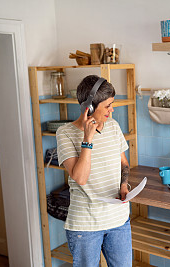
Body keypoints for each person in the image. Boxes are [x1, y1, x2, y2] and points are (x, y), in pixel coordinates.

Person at [56, 75, 132, 267]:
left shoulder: (113, 127)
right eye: (107, 106)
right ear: (89, 107)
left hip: (119, 220)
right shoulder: (65, 133)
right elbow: (80, 178)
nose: (111, 110)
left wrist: (124, 185)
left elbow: (124, 163)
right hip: (85, 225)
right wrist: (87, 140)